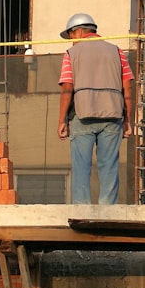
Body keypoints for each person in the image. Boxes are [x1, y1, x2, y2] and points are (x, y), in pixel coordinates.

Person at [57, 13, 135, 204]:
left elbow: (67, 88)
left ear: (80, 31)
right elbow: (128, 88)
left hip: (82, 116)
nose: (72, 41)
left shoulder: (71, 54)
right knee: (109, 167)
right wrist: (128, 120)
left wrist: (61, 121)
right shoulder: (117, 52)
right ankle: (107, 213)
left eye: (72, 36)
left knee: (81, 167)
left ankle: (82, 211)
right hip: (113, 116)